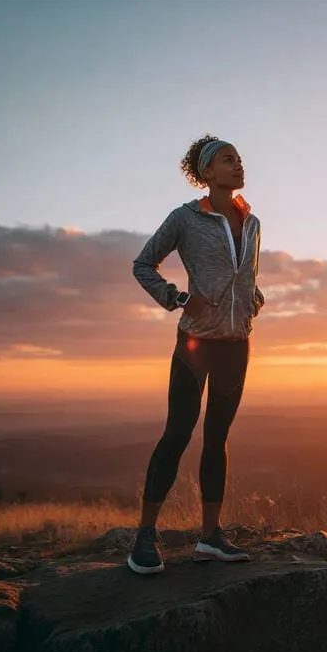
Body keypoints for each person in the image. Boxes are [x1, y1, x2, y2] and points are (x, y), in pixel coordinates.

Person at [127, 134, 264, 574]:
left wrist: (252, 299)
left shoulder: (254, 221)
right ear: (207, 173)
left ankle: (210, 536)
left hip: (236, 345)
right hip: (195, 344)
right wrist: (178, 298)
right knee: (178, 434)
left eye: (239, 158)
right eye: (228, 159)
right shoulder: (185, 219)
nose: (238, 164)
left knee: (217, 439)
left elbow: (246, 275)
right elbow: (142, 264)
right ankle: (145, 536)